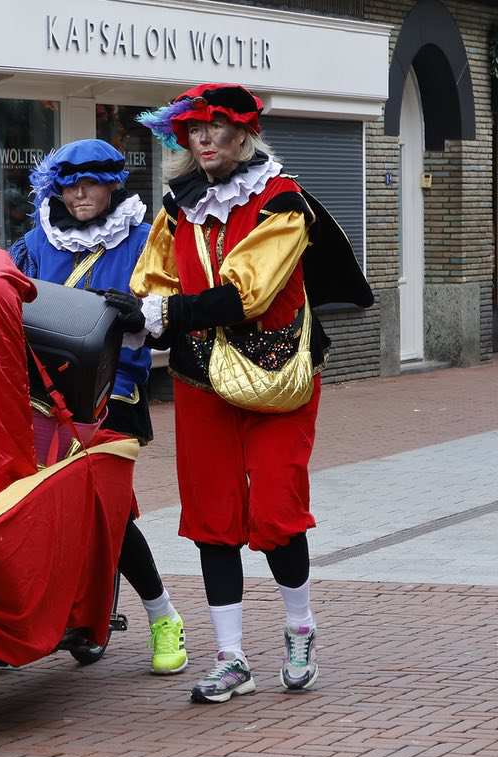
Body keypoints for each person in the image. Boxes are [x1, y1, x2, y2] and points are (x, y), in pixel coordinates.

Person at [130, 82, 371, 703]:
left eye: (216, 127)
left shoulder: (281, 202)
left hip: (277, 374)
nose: (205, 139)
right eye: (195, 130)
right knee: (212, 516)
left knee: (275, 508)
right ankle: (230, 656)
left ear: (244, 134)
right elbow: (153, 279)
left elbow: (249, 293)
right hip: (200, 376)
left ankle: (300, 628)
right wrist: (143, 312)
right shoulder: (177, 205)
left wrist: (169, 313)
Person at [14, 138, 188, 675]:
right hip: (43, 397)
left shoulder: (143, 240)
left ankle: (163, 616)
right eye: (69, 186)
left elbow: (168, 320)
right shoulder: (36, 242)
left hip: (115, 395)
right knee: (38, 504)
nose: (79, 195)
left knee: (109, 511)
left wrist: (140, 315)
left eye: (90, 184)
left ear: (113, 186)